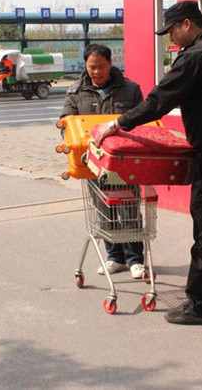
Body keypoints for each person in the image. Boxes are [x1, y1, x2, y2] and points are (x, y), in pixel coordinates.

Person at [93, 1, 202, 325]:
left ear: (186, 24)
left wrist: (116, 124)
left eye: (171, 30)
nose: (170, 37)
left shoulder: (193, 58)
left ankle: (199, 306)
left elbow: (158, 102)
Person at [61, 43, 147, 279]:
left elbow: (141, 123)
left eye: (101, 66)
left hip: (124, 161)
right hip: (93, 163)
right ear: (85, 65)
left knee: (129, 209)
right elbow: (66, 124)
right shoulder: (75, 92)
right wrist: (76, 144)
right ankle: (115, 257)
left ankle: (135, 260)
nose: (96, 71)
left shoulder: (130, 90)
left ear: (110, 63)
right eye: (91, 67)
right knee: (104, 210)